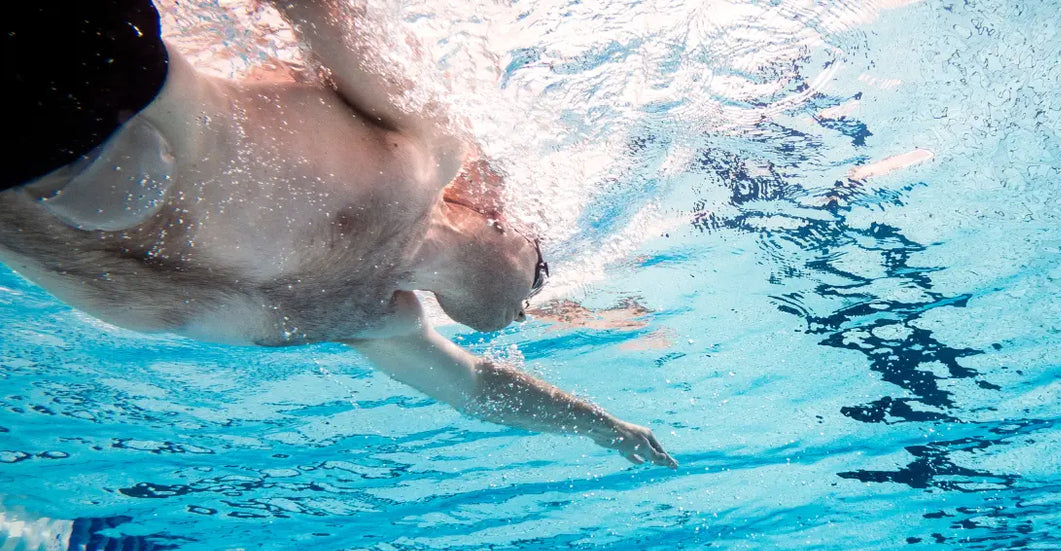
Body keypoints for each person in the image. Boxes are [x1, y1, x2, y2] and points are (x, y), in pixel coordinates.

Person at [0, 0, 677, 468]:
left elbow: (479, 390)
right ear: (497, 218)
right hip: (94, 77)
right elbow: (318, 14)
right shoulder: (424, 146)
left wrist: (601, 427)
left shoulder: (370, 314)